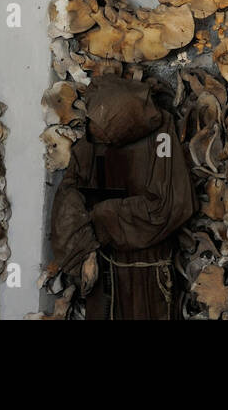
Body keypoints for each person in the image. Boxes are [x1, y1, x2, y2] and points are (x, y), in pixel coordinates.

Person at [50, 76, 195, 319]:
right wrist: (85, 249)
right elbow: (68, 194)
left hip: (147, 273)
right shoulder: (91, 140)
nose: (92, 128)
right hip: (103, 269)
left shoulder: (161, 136)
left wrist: (99, 218)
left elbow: (171, 205)